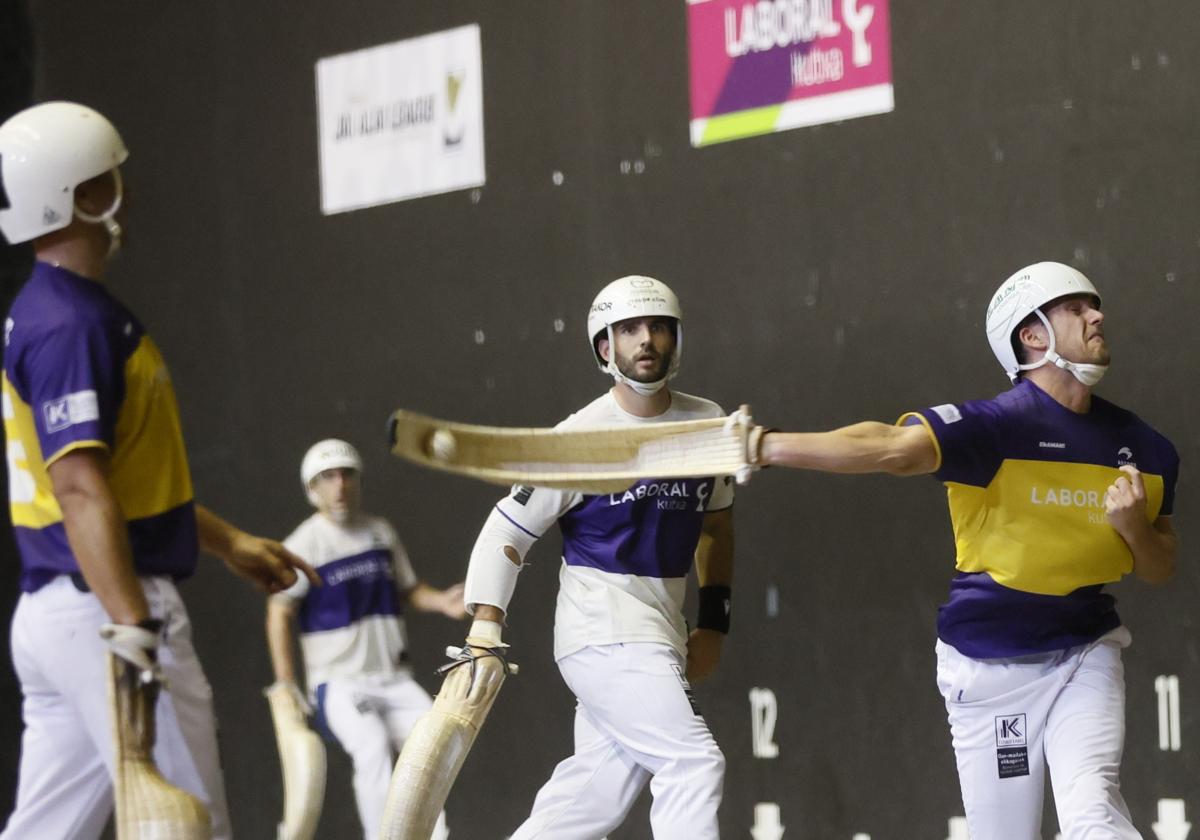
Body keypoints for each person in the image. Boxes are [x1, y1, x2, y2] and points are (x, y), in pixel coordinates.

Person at [751, 261, 1178, 840]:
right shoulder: (993, 428)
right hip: (989, 668)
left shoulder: (1147, 449)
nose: (1097, 314)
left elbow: (1160, 566)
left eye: (1094, 305)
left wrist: (1133, 527)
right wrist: (764, 445)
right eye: (1076, 308)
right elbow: (886, 447)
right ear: (1033, 335)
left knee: (1095, 817)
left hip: (1084, 652)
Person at [0, 101, 318, 839]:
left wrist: (229, 541)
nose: (126, 190)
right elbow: (79, 490)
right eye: (110, 176)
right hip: (106, 610)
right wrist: (132, 628)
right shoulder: (70, 326)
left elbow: (118, 489)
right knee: (190, 826)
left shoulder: (56, 311)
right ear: (79, 195)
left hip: (63, 614)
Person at [461, 275, 735, 840]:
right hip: (604, 632)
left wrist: (714, 622)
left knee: (594, 796)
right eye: (629, 330)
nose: (647, 340)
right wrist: (485, 627)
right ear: (604, 347)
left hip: (660, 629)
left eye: (659, 327)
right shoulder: (577, 440)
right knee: (693, 763)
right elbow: (504, 532)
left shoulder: (709, 422)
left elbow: (717, 525)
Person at [266, 438, 466, 840]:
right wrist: (286, 683)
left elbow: (409, 590)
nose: (339, 485)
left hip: (393, 678)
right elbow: (279, 611)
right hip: (338, 683)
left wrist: (443, 602)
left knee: (435, 749)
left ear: (357, 481)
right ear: (311, 489)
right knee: (372, 747)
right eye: (327, 478)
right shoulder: (304, 546)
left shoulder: (381, 533)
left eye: (346, 475)